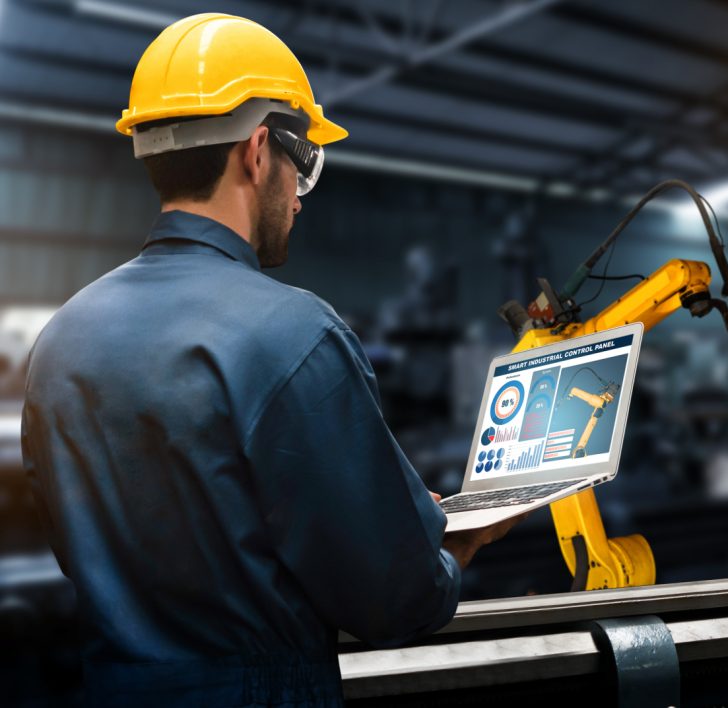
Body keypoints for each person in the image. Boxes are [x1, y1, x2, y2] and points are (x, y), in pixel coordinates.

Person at [21, 13, 517, 706]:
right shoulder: (292, 333)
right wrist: (443, 554)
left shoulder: (62, 341)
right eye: (301, 165)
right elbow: (391, 600)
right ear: (258, 152)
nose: (298, 198)